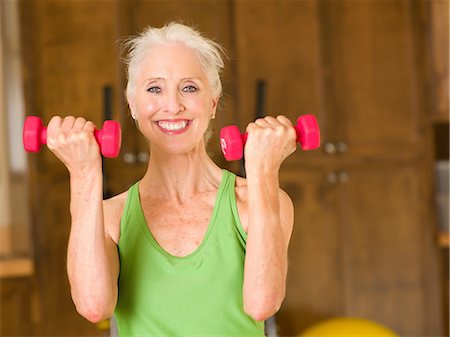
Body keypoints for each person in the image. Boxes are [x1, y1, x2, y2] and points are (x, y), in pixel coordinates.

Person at [46, 22, 296, 336]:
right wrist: (83, 173)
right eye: (154, 88)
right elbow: (93, 306)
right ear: (133, 103)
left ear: (213, 103)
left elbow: (263, 304)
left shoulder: (254, 202)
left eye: (189, 87)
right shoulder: (112, 217)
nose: (173, 105)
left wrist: (263, 171)